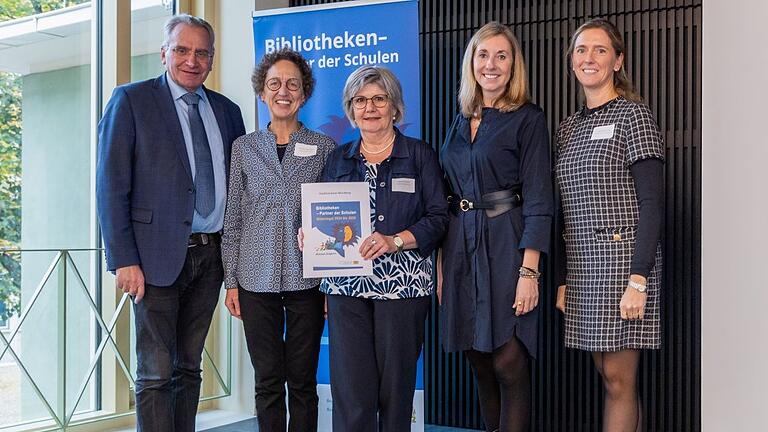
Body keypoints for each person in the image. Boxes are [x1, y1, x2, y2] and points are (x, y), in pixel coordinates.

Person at [96, 14, 245, 432]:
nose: (191, 61)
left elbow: (240, 186)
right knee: (155, 373)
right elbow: (110, 187)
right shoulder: (131, 101)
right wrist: (123, 259)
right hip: (152, 259)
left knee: (189, 368)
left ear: (212, 59)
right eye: (182, 50)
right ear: (164, 53)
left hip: (211, 256)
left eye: (201, 53)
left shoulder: (228, 112)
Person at [304, 65, 448, 431]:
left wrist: (395, 240)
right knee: (351, 390)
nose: (370, 107)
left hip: (402, 288)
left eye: (379, 99)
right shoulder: (338, 159)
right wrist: (311, 235)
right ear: (351, 109)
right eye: (360, 100)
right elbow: (322, 215)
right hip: (346, 288)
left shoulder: (419, 155)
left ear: (394, 107)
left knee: (395, 390)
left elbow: (438, 218)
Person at [438, 22, 553, 432]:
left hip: (507, 244)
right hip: (459, 247)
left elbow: (540, 199)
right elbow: (446, 193)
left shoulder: (528, 118)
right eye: (483, 55)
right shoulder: (459, 119)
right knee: (479, 359)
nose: (491, 64)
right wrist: (439, 265)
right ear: (472, 62)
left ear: (513, 65)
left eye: (501, 56)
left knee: (508, 361)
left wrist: (529, 272)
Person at [554, 18, 664, 431]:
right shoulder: (568, 128)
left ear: (618, 61)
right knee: (606, 374)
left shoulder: (635, 116)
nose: (589, 58)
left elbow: (652, 204)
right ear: (572, 61)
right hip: (583, 268)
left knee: (620, 380)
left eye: (600, 50)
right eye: (581, 50)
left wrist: (639, 279)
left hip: (622, 266)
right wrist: (563, 279)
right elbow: (563, 210)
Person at [221, 48, 335, 432]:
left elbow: (335, 218)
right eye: (274, 84)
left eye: (292, 84)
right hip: (254, 280)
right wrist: (231, 281)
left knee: (302, 382)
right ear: (262, 93)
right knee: (268, 381)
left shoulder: (324, 148)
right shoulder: (244, 148)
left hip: (309, 280)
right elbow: (233, 218)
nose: (283, 91)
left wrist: (330, 285)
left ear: (303, 95)